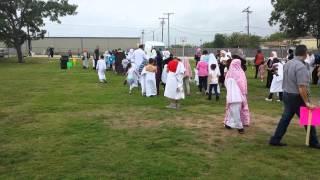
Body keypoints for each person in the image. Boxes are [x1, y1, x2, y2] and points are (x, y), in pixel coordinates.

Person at [269, 45, 320, 149]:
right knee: (309, 119)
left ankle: (275, 139)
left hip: (287, 94)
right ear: (305, 54)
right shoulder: (301, 66)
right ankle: (313, 142)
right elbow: (302, 87)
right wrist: (307, 102)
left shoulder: (288, 63)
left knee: (285, 119)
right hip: (296, 96)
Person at [224, 59, 250, 134]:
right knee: (233, 111)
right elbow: (243, 85)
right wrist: (243, 94)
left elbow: (226, 83)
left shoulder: (229, 73)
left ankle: (239, 127)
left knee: (234, 111)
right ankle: (230, 124)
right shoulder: (241, 73)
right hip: (240, 95)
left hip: (233, 95)